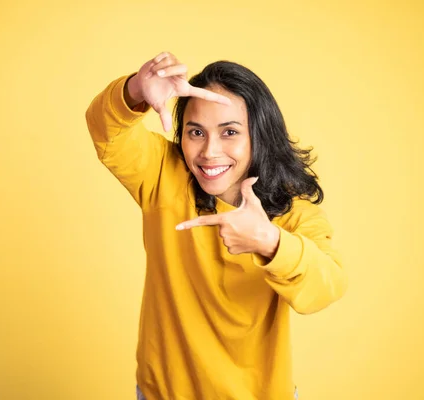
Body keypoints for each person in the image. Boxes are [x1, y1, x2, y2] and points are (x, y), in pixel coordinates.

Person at [85, 51, 348, 400]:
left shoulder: (292, 210)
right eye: (196, 132)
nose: (209, 152)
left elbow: (326, 286)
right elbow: (107, 132)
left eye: (229, 132)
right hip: (162, 392)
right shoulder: (164, 176)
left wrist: (269, 242)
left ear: (259, 136)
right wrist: (135, 89)